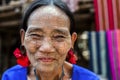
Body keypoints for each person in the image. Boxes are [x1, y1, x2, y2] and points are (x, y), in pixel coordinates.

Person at [2, 0, 100, 80]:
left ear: (72, 41)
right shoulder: (11, 77)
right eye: (36, 35)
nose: (46, 48)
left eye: (59, 37)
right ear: (23, 38)